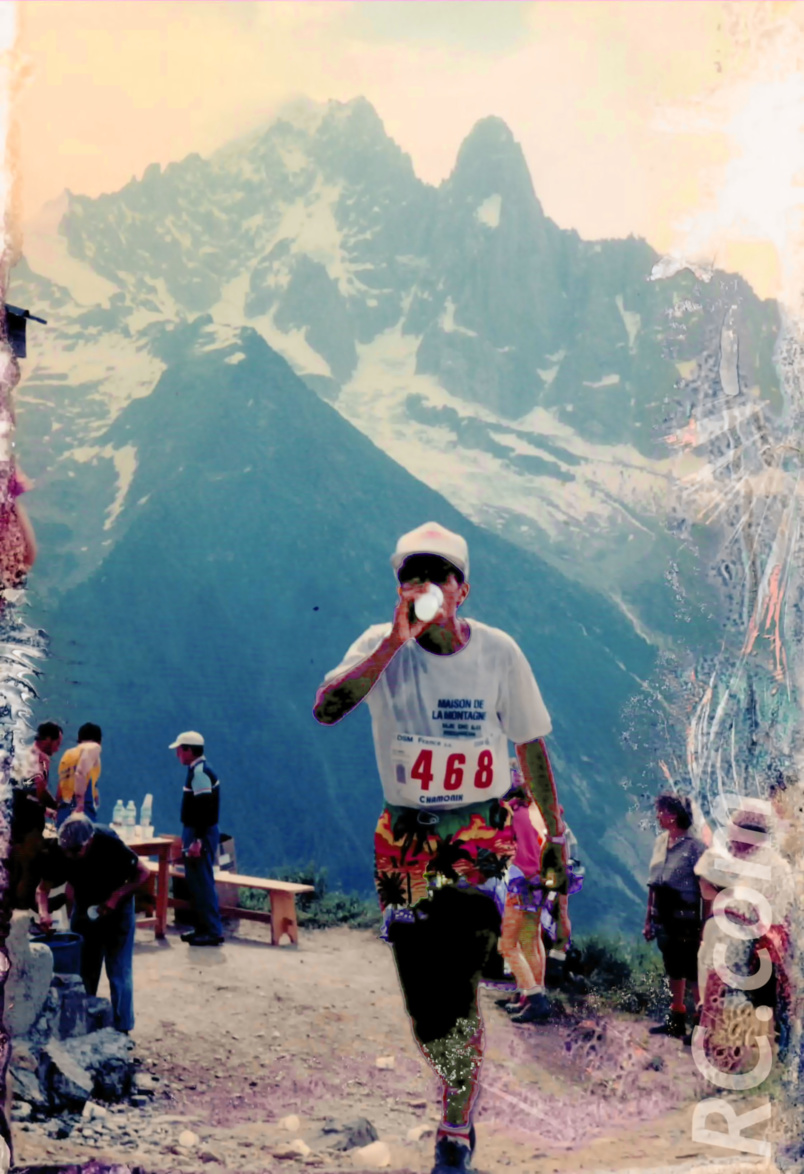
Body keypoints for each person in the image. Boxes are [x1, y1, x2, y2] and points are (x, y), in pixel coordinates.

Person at [314, 521, 570, 1174]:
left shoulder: (500, 653)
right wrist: (393, 645)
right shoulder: (380, 643)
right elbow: (327, 707)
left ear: (464, 590)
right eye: (410, 574)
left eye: (437, 574)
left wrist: (552, 837)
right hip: (402, 841)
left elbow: (531, 747)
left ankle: (455, 1130)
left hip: (480, 834)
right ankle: (454, 1076)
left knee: (455, 984)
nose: (422, 584)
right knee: (426, 1001)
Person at [694, 800, 793, 1072]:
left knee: (725, 1004)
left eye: (736, 830)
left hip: (739, 949)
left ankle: (722, 1059)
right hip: (753, 949)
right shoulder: (768, 865)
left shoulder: (763, 867)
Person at [35, 814, 150, 1033]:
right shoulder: (60, 850)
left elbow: (143, 873)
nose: (70, 856)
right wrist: (44, 914)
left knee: (118, 969)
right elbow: (42, 889)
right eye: (66, 851)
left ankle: (122, 1028)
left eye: (76, 851)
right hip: (85, 904)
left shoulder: (109, 843)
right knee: (85, 969)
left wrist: (116, 897)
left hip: (118, 906)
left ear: (90, 841)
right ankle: (85, 1022)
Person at [497, 778, 560, 1024]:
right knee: (531, 941)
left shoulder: (513, 812)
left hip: (520, 881)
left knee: (508, 946)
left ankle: (535, 999)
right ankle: (531, 997)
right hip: (540, 883)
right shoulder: (542, 813)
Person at [643, 792, 705, 1039]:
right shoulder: (661, 842)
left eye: (662, 811)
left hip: (686, 915)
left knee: (692, 970)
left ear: (674, 814)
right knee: (672, 966)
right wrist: (648, 919)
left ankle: (700, 1025)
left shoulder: (696, 847)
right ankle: (676, 1019)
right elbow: (653, 882)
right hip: (663, 913)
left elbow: (706, 888)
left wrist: (704, 925)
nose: (658, 815)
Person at [169, 730, 224, 947]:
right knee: (195, 881)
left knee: (202, 881)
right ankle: (202, 928)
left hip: (199, 833)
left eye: (180, 750)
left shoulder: (200, 773)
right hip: (195, 831)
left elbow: (205, 807)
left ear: (189, 751)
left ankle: (211, 930)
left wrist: (198, 840)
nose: (178, 755)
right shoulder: (197, 771)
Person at [9, 720, 63, 909]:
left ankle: (12, 910)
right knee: (31, 867)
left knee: (17, 867)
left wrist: (45, 808)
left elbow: (23, 791)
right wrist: (57, 806)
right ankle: (24, 910)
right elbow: (40, 791)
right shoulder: (41, 758)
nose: (56, 750)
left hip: (15, 819)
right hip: (29, 824)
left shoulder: (23, 754)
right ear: (48, 739)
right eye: (57, 744)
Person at [56, 722, 102, 827]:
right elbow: (80, 773)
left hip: (64, 810)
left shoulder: (67, 755)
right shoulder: (92, 748)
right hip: (81, 811)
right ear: (99, 741)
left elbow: (61, 786)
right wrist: (80, 805)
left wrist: (57, 809)